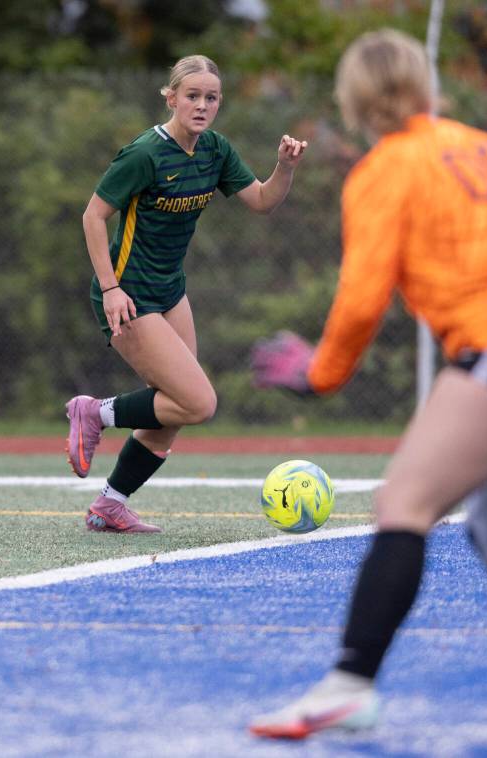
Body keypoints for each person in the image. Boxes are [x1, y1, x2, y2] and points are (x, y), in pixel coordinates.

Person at [248, 29, 487, 736]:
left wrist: (320, 377)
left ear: (354, 100)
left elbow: (363, 299)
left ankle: (348, 686)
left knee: (404, 501)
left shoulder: (382, 170)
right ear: (425, 85)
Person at [65, 54, 308, 533]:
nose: (201, 105)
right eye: (191, 96)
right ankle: (94, 411)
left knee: (175, 410)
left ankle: (111, 503)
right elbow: (92, 217)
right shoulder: (143, 154)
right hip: (128, 293)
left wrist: (284, 167)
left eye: (211, 97)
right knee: (199, 402)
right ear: (171, 97)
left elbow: (261, 201)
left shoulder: (215, 150)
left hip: (171, 292)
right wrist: (111, 288)